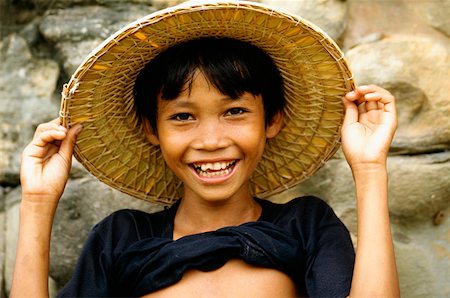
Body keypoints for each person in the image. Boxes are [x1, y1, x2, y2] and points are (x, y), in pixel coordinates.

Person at [10, 1, 399, 297]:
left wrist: (368, 169)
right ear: (151, 129)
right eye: (182, 117)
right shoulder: (122, 238)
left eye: (234, 111)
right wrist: (38, 203)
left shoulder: (305, 226)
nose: (211, 141)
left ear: (272, 121)